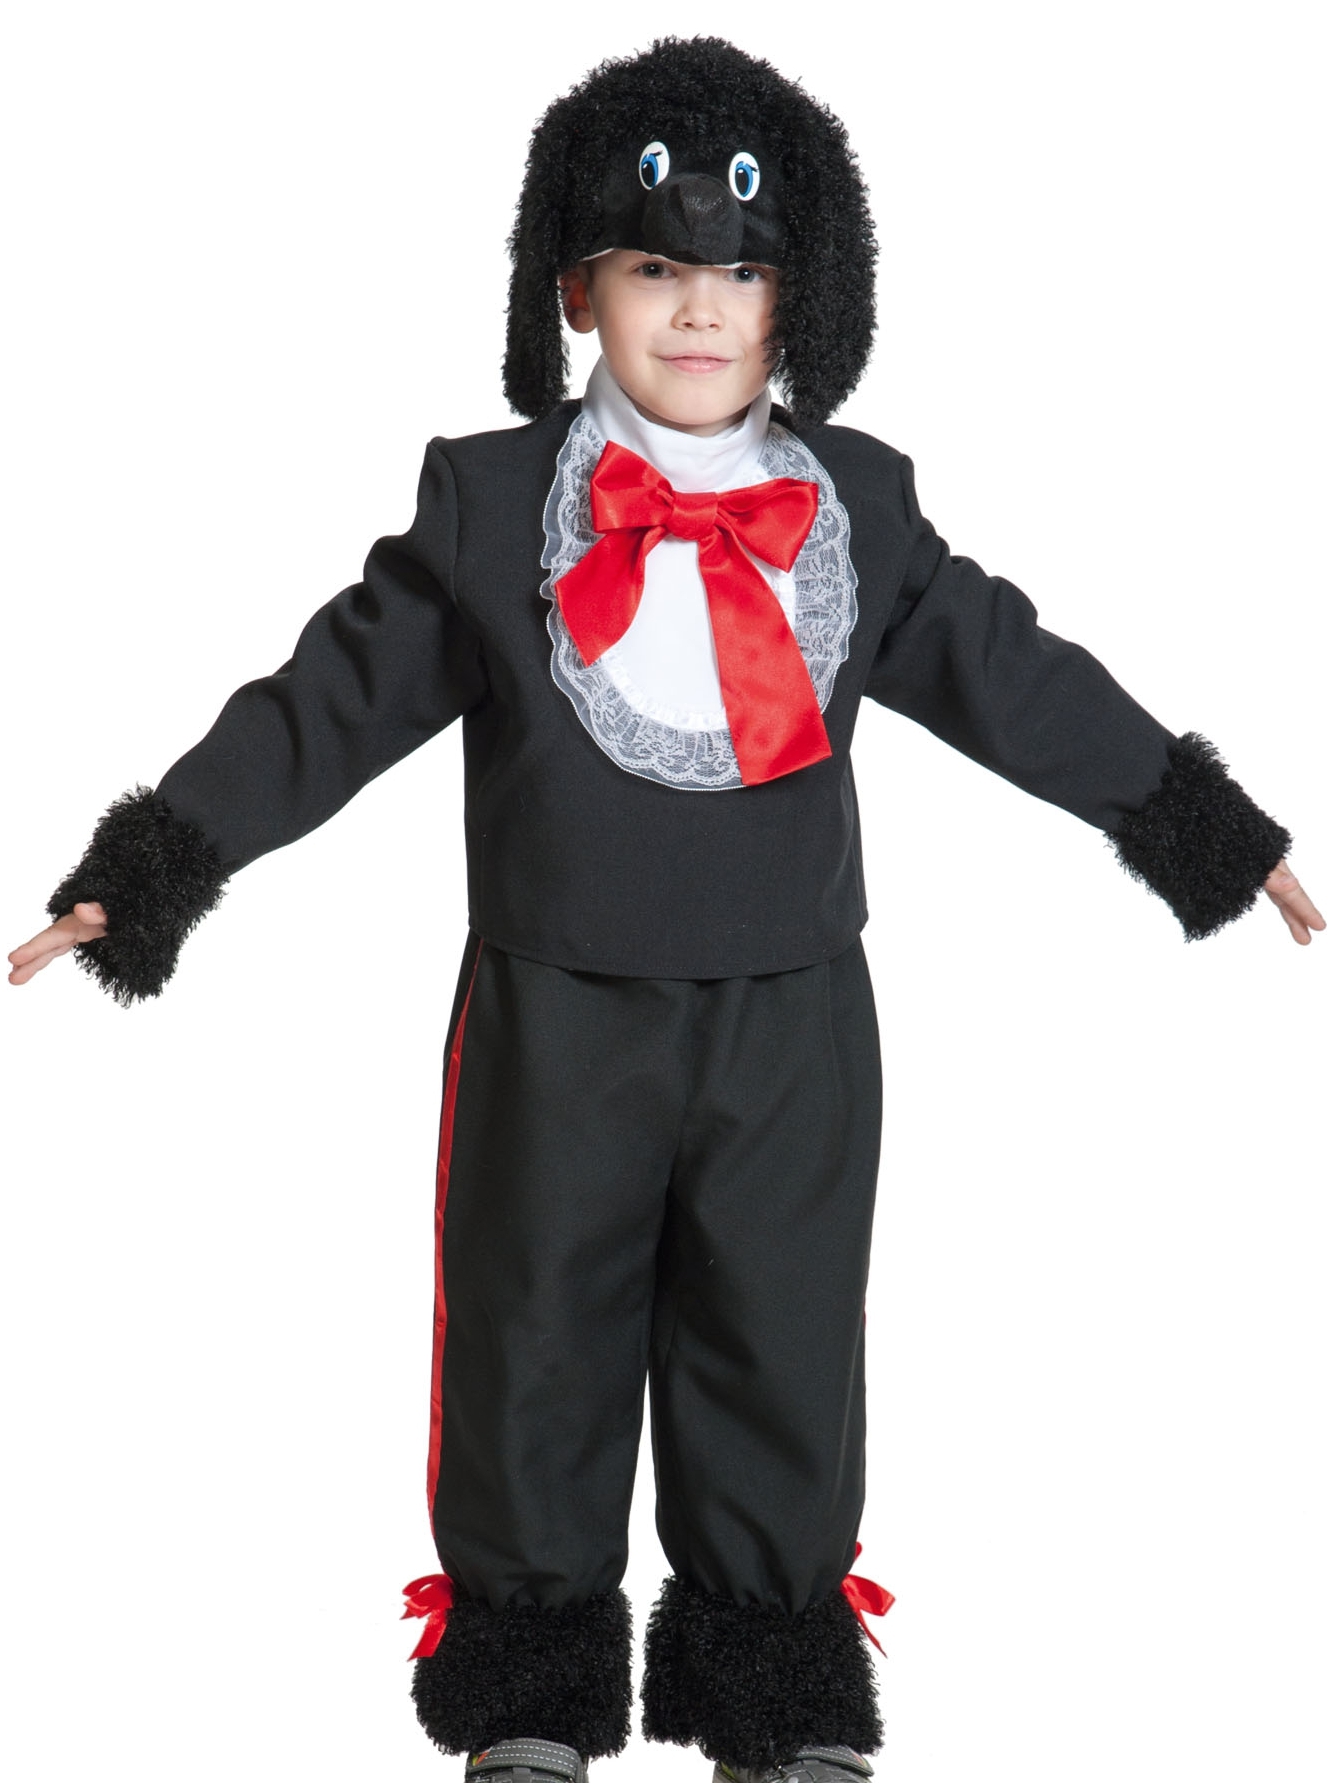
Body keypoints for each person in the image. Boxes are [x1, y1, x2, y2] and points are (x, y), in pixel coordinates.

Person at [7, 36, 1323, 1783]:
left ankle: (774, 1687)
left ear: (803, 299)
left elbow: (1015, 678)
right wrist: (157, 863)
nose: (698, 310)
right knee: (531, 1338)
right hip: (557, 1016)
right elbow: (323, 703)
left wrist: (1201, 828)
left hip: (794, 1020)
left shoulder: (859, 507)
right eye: (650, 268)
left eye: (742, 275)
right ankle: (529, 1693)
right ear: (575, 291)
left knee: (781, 1339)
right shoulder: (492, 506)